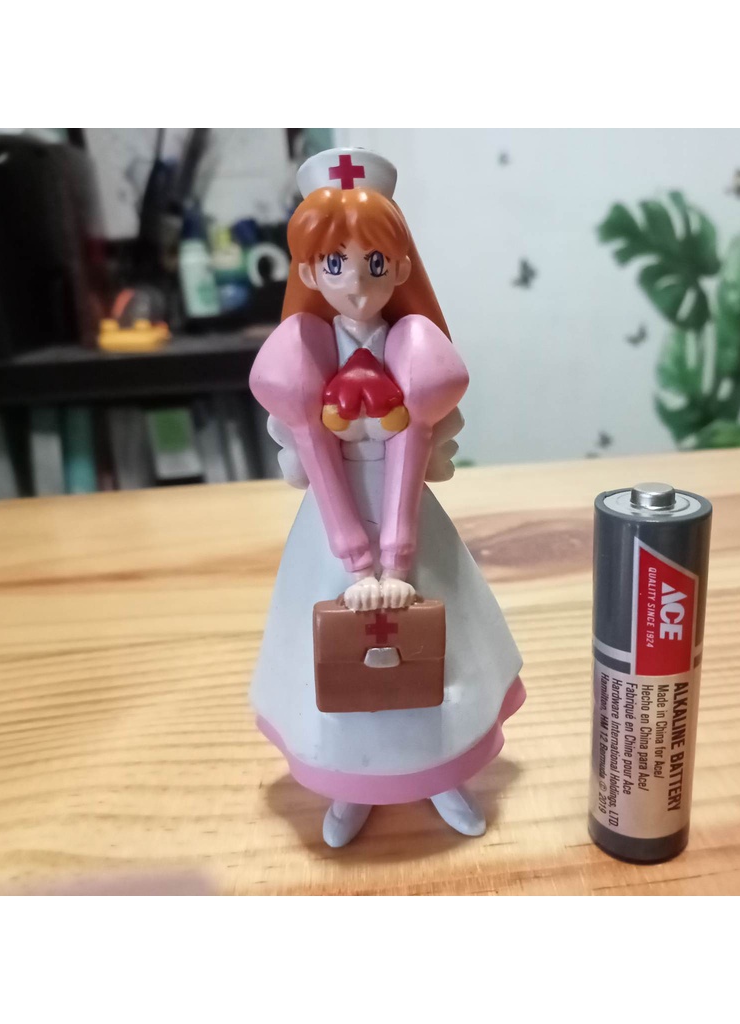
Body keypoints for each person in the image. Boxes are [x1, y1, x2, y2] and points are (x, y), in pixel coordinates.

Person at [250, 147, 525, 848]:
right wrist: (354, 560)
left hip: (408, 522)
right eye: (334, 264)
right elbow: (309, 453)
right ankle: (350, 784)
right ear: (308, 272)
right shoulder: (302, 354)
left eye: (374, 263)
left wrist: (396, 561)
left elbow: (418, 445)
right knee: (335, 655)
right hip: (331, 523)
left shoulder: (415, 349)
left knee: (434, 645)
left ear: (401, 267)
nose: (355, 283)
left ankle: (439, 773)